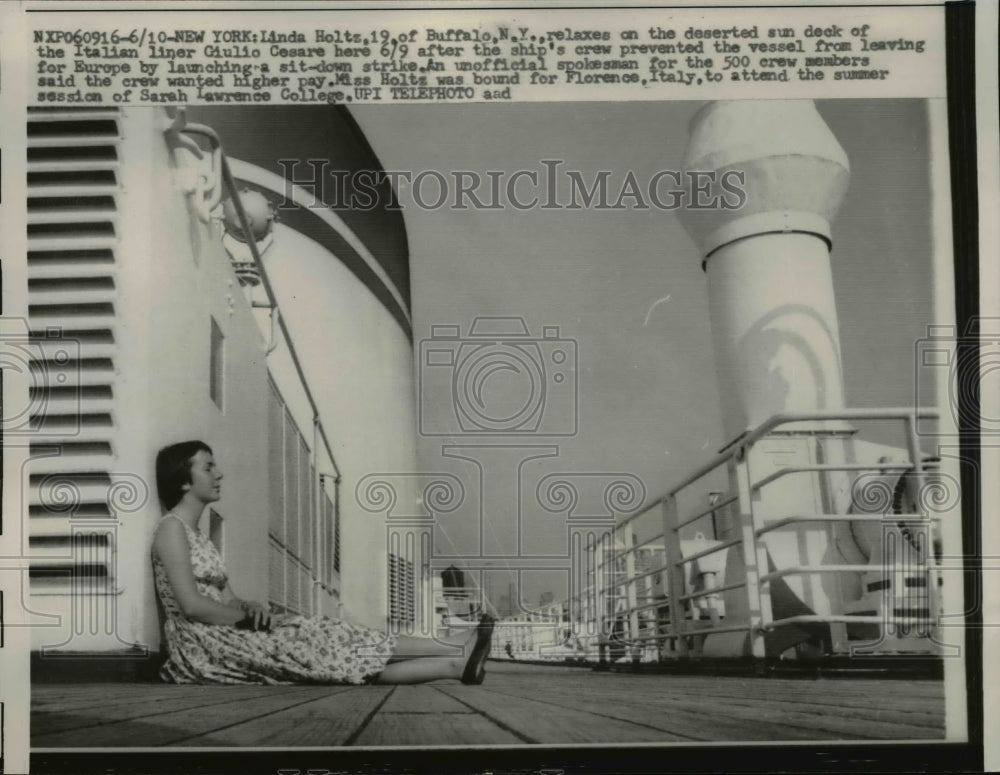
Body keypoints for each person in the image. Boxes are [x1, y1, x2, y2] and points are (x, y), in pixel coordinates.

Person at [152, 440, 494, 686]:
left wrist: (252, 606)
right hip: (203, 644)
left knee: (330, 653)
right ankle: (451, 644)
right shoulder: (171, 530)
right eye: (208, 467)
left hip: (223, 632)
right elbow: (193, 606)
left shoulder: (198, 536)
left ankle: (453, 664)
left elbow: (227, 598)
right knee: (315, 636)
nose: (219, 474)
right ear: (184, 480)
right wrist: (250, 620)